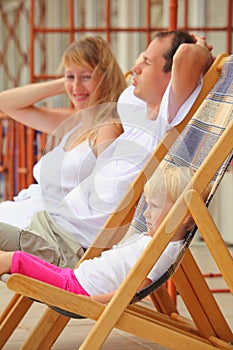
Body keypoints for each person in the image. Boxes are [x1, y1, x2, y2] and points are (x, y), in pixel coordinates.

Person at [0, 31, 213, 268]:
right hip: (49, 224)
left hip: (63, 244)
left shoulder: (167, 118)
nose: (135, 67)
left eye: (147, 62)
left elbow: (186, 54)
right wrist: (71, 79)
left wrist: (199, 45)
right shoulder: (134, 109)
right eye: (140, 59)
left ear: (171, 74)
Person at [0, 166, 199, 304]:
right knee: (14, 258)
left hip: (78, 289)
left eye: (154, 206)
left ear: (183, 216)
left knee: (14, 259)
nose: (146, 213)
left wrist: (92, 304)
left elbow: (133, 290)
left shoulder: (163, 251)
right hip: (75, 276)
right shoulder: (156, 241)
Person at [0, 35, 126, 228]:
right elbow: (5, 103)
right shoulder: (76, 121)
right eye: (70, 76)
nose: (77, 87)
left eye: (86, 76)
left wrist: (71, 81)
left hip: (47, 228)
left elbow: (105, 198)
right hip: (26, 210)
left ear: (106, 78)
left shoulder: (107, 129)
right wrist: (64, 84)